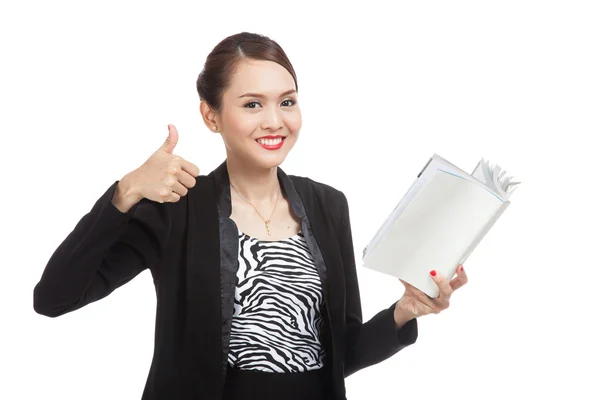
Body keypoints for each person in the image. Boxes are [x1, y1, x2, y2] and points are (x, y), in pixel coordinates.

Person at [33, 32, 468, 400]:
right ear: (211, 115)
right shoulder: (176, 207)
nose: (275, 121)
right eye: (252, 105)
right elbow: (53, 298)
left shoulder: (327, 205)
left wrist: (405, 310)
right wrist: (125, 192)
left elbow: (343, 354)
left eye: (288, 101)